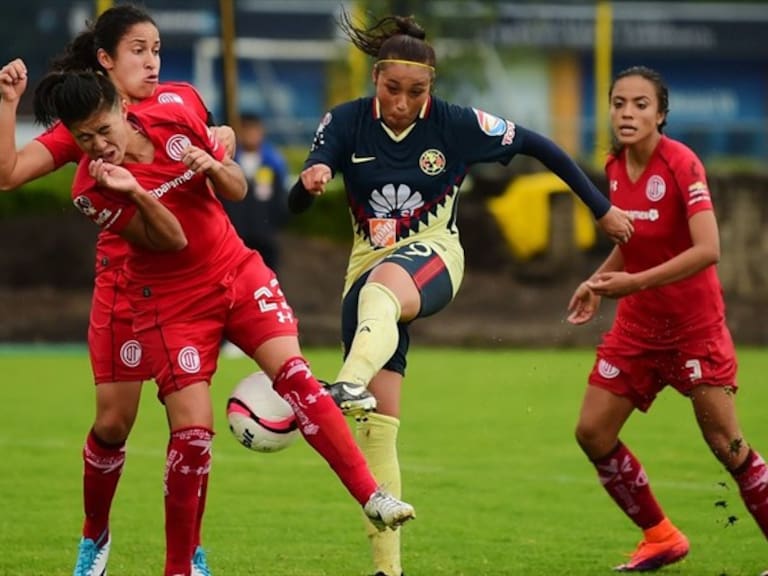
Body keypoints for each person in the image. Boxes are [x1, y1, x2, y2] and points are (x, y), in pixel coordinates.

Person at [287, 12, 635, 576]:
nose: (402, 102)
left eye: (416, 92)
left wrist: (602, 207)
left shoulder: (455, 124)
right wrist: (309, 183)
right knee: (378, 431)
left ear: (432, 86)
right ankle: (387, 570)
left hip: (435, 258)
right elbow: (298, 201)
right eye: (393, 89)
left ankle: (345, 383)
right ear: (375, 78)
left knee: (384, 292)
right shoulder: (346, 121)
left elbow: (539, 145)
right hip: (363, 271)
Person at [34, 70, 415, 576]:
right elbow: (170, 241)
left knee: (297, 375)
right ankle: (179, 566)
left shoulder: (173, 112)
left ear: (123, 111)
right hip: (172, 303)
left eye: (104, 130)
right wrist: (136, 192)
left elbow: (235, 189)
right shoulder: (93, 187)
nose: (98, 146)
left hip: (236, 270)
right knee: (192, 433)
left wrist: (213, 162)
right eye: (84, 139)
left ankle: (372, 495)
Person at [0, 5, 234, 575]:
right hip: (125, 287)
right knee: (113, 422)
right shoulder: (87, 125)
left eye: (155, 49)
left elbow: (217, 156)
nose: (151, 61)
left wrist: (219, 140)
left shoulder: (179, 101)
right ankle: (94, 537)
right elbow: (7, 174)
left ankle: (188, 552)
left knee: (192, 427)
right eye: (138, 49)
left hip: (186, 286)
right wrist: (8, 103)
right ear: (105, 61)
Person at [566, 66, 768, 571]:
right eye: (618, 103)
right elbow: (631, 243)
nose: (627, 113)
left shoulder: (682, 164)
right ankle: (660, 536)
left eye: (639, 104)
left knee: (728, 445)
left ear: (660, 113)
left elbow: (709, 249)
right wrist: (596, 282)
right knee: (592, 431)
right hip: (638, 329)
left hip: (693, 329)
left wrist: (633, 283)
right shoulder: (614, 167)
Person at [221, 113, 289, 273]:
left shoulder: (273, 162)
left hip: (265, 239)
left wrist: (271, 225)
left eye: (254, 130)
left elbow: (281, 199)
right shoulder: (228, 161)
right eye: (246, 130)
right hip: (235, 239)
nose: (250, 135)